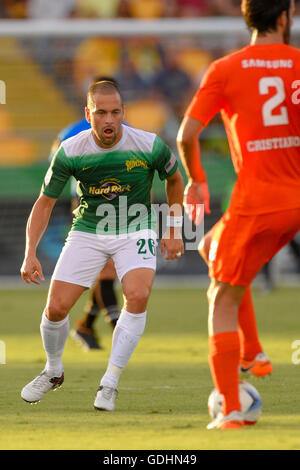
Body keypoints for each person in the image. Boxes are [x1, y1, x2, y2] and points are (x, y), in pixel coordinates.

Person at [20, 80, 184, 411]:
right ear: (88, 114)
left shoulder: (149, 145)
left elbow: (175, 179)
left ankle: (109, 383)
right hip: (88, 230)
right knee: (55, 309)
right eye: (101, 113)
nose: (109, 120)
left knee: (137, 295)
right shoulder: (71, 149)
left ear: (124, 112)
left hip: (135, 228)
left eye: (115, 112)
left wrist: (174, 229)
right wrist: (30, 253)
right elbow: (45, 201)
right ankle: (53, 371)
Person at [177, 0, 300, 429]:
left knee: (221, 297)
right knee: (213, 246)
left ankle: (229, 408)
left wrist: (196, 180)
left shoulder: (225, 69)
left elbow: (187, 134)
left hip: (259, 201)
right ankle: (254, 352)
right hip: (295, 197)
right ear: (286, 17)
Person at [49, 77, 122, 351]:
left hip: (116, 206)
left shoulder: (68, 132)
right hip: (88, 206)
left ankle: (86, 326)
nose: (108, 116)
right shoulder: (114, 130)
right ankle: (118, 329)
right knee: (106, 268)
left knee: (107, 270)